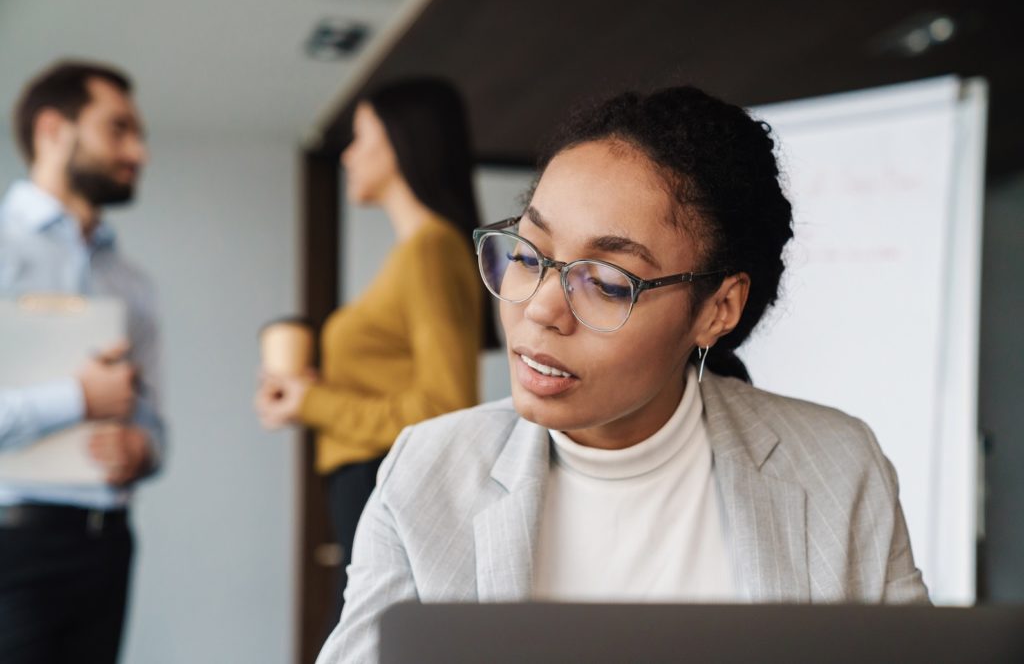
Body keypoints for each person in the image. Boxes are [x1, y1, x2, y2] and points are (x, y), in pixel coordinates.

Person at [315, 85, 930, 663]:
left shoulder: (837, 466)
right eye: (529, 255)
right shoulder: (428, 471)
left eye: (608, 283)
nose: (540, 309)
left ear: (719, 308)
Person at [254, 78, 497, 627]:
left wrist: (311, 403)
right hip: (369, 479)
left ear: (398, 141)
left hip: (382, 477)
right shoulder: (421, 251)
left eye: (360, 137)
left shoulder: (431, 249)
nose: (347, 154)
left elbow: (443, 406)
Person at [0, 61, 164, 663]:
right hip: (11, 544)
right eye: (118, 129)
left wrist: (143, 451)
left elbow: (156, 428)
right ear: (53, 130)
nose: (139, 152)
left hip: (107, 545)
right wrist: (80, 399)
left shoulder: (133, 284)